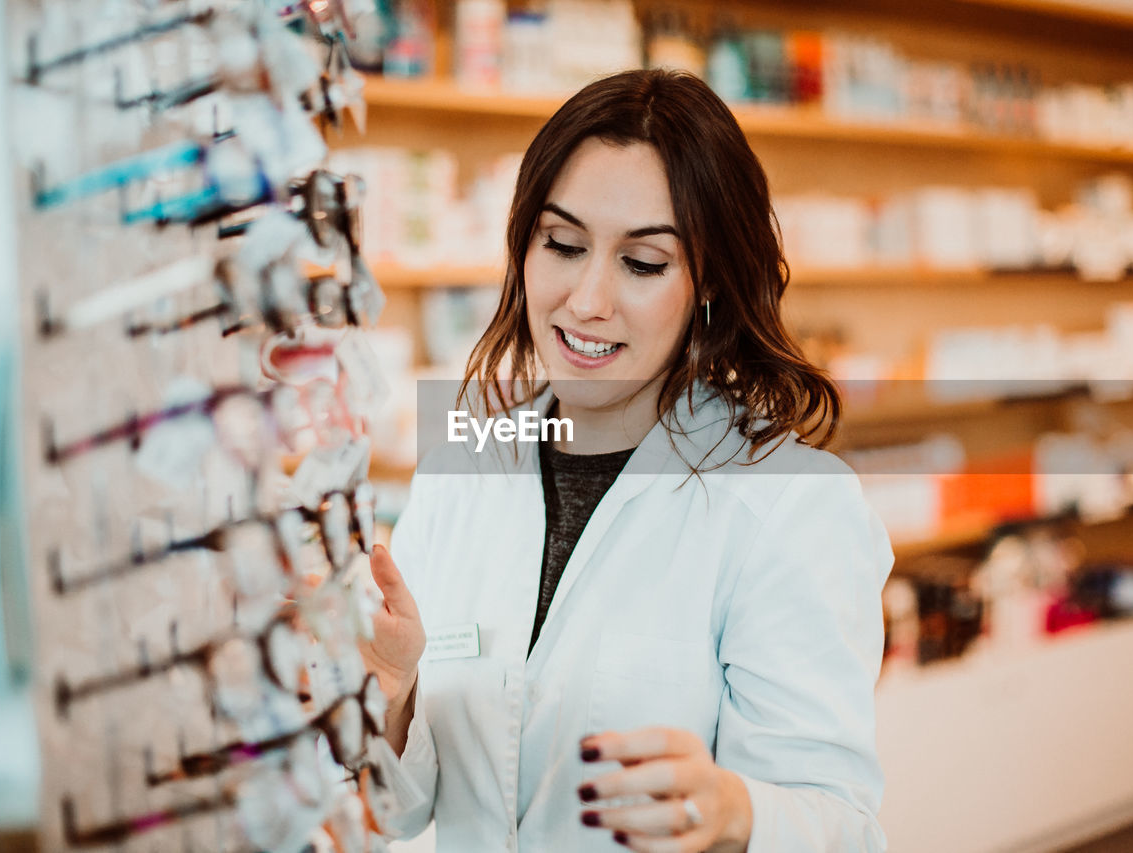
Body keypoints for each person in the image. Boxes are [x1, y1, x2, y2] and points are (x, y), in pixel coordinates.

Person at [357, 68, 894, 853]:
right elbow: (399, 813)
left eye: (642, 263)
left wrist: (739, 813)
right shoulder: (458, 474)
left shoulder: (789, 507)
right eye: (563, 245)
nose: (586, 300)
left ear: (708, 284)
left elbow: (843, 825)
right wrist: (395, 692)